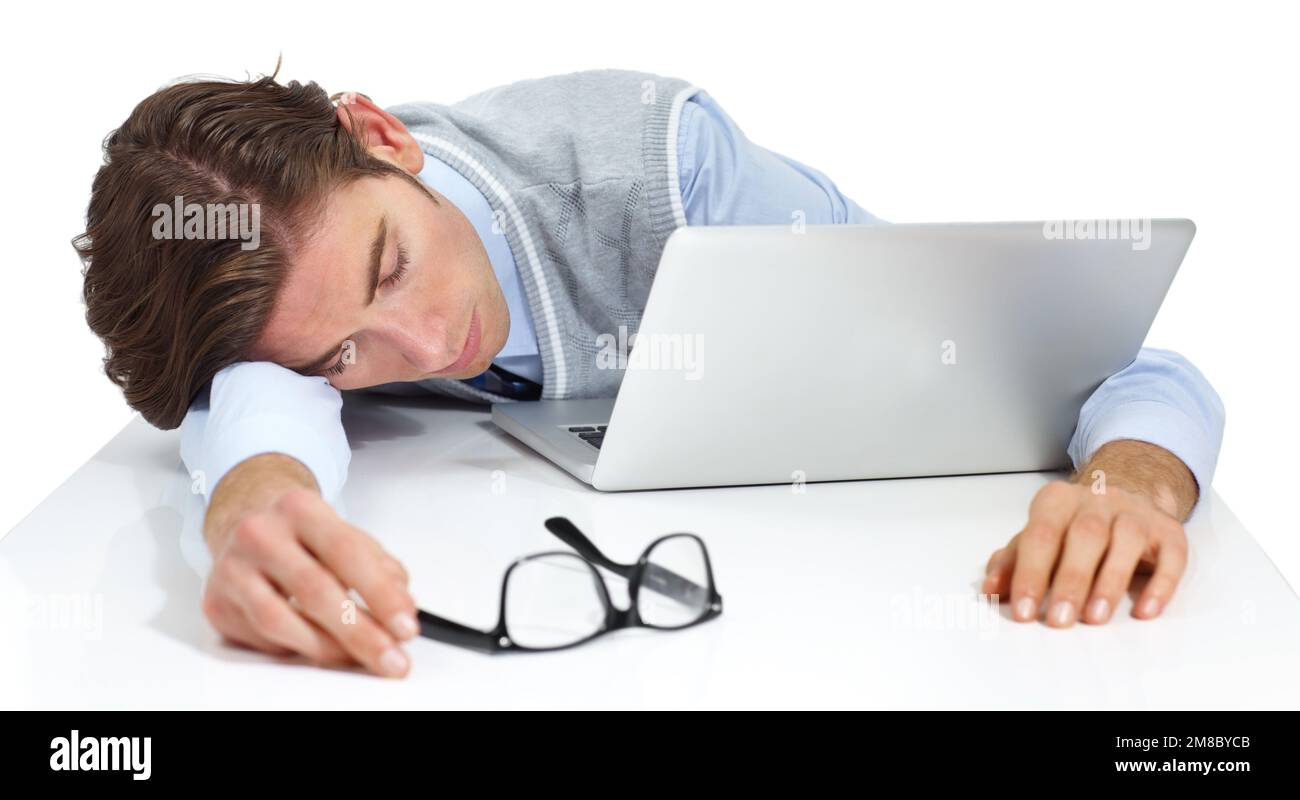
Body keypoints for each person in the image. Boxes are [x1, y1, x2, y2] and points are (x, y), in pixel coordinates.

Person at [73, 67, 1225, 678]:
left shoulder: (667, 174)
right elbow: (258, 399)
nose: (424, 348)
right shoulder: (297, 296)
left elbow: (1100, 364)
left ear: (381, 134)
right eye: (343, 356)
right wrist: (251, 499)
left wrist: (1132, 480)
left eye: (393, 265)